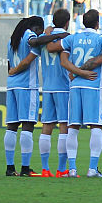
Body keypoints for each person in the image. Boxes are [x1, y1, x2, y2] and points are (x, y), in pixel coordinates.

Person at [57, 9, 102, 178]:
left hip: (74, 87)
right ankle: (92, 169)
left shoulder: (72, 38)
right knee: (96, 127)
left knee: (72, 127)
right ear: (97, 23)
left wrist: (77, 72)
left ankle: (72, 169)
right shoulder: (100, 39)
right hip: (92, 87)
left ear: (83, 22)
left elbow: (63, 61)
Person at [5, 16, 68, 177]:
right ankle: (25, 168)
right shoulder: (29, 35)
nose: (40, 35)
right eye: (39, 31)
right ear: (36, 28)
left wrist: (12, 72)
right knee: (28, 125)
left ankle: (10, 167)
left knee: (12, 126)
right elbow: (29, 54)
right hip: (27, 86)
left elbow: (8, 65)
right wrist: (55, 35)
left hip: (11, 85)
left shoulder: (12, 40)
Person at [38, 9, 72, 177]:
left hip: (48, 87)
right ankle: (61, 169)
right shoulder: (68, 37)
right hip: (63, 87)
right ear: (67, 22)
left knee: (47, 127)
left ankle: (45, 169)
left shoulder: (45, 38)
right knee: (64, 127)